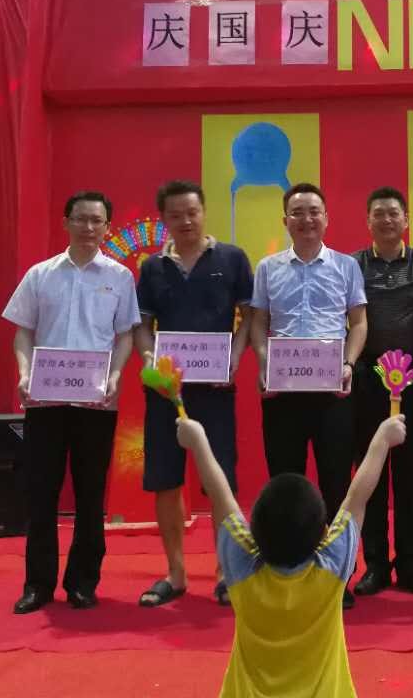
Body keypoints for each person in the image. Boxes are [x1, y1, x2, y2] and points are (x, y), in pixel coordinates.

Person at [176, 412, 407, 698]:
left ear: (253, 536)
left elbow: (221, 497)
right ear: (324, 533)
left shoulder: (241, 568)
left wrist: (198, 442)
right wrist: (382, 440)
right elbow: (356, 497)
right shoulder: (332, 567)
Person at [3, 190, 140, 614]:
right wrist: (24, 373)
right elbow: (23, 331)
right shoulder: (41, 275)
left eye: (97, 221)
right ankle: (38, 585)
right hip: (45, 401)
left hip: (95, 405)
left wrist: (115, 375)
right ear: (65, 222)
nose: (88, 227)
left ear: (107, 228)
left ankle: (83, 582)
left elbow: (125, 335)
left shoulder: (119, 276)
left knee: (90, 495)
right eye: (80, 219)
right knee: (41, 493)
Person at [133, 179, 253, 608]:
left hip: (216, 389)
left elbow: (249, 316)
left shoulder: (232, 258)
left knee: (219, 481)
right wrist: (150, 359)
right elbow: (142, 325)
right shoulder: (152, 267)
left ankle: (225, 573)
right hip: (166, 392)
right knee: (166, 480)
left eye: (192, 212)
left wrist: (235, 357)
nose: (185, 221)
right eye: (175, 215)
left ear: (204, 212)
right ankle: (176, 572)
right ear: (164, 219)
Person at [249, 182, 368, 608]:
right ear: (285, 221)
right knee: (286, 484)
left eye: (314, 211)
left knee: (337, 483)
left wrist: (348, 364)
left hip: (333, 392)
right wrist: (264, 363)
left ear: (326, 218)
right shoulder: (268, 268)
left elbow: (358, 323)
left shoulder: (346, 267)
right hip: (283, 393)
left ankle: (337, 576)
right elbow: (258, 323)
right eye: (297, 212)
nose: (306, 219)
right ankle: (288, 571)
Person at [350, 187, 413, 597]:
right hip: (367, 378)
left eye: (394, 213)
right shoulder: (353, 265)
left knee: (409, 473)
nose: (387, 220)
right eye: (379, 214)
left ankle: (409, 563)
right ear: (367, 221)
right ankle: (375, 564)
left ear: (406, 219)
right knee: (370, 471)